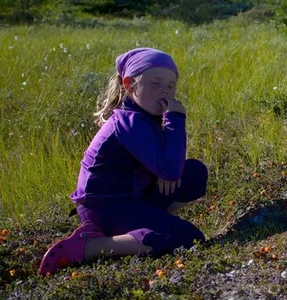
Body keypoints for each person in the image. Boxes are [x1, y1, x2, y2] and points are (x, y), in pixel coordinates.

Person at [39, 47, 208, 276]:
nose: (165, 92)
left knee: (194, 173)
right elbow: (169, 169)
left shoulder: (145, 116)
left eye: (170, 85)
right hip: (105, 208)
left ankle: (152, 224)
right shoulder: (130, 121)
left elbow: (172, 168)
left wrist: (165, 169)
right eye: (155, 84)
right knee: (189, 238)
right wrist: (176, 119)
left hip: (132, 197)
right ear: (129, 85)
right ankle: (90, 246)